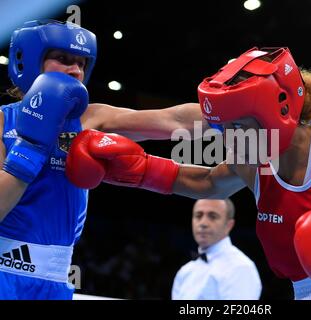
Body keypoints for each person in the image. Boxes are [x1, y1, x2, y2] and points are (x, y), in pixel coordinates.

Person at [66, 47, 311, 300]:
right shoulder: (254, 154)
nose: (230, 139)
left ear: (280, 113)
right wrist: (139, 170)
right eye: (223, 128)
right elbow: (208, 182)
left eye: (238, 126)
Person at [0, 19, 204, 300]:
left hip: (56, 283)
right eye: (63, 59)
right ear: (32, 61)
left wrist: (227, 111)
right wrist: (31, 147)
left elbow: (171, 119)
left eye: (82, 63)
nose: (76, 70)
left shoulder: (91, 118)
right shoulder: (2, 122)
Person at [171, 198, 262, 300]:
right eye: (198, 215)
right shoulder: (185, 271)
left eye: (213, 216)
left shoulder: (241, 267)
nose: (203, 223)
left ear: (229, 225)